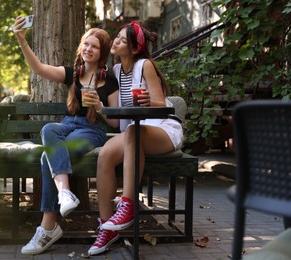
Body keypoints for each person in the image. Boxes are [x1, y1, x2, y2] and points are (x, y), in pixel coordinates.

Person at [12, 16, 119, 255]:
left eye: (95, 46)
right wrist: (22, 41)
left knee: (46, 157)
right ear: (81, 46)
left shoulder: (108, 79)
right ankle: (63, 192)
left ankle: (47, 228)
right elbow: (39, 68)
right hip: (68, 124)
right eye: (86, 44)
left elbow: (116, 121)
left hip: (91, 130)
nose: (89, 49)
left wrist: (100, 106)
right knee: (48, 129)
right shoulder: (73, 74)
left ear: (101, 53)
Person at [88, 21, 184, 255]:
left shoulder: (145, 65)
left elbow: (161, 104)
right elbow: (116, 121)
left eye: (122, 39)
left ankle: (127, 206)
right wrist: (100, 108)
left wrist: (147, 101)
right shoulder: (118, 71)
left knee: (132, 132)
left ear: (133, 48)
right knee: (105, 155)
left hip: (162, 130)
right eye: (117, 37)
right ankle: (106, 229)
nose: (117, 41)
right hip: (134, 133)